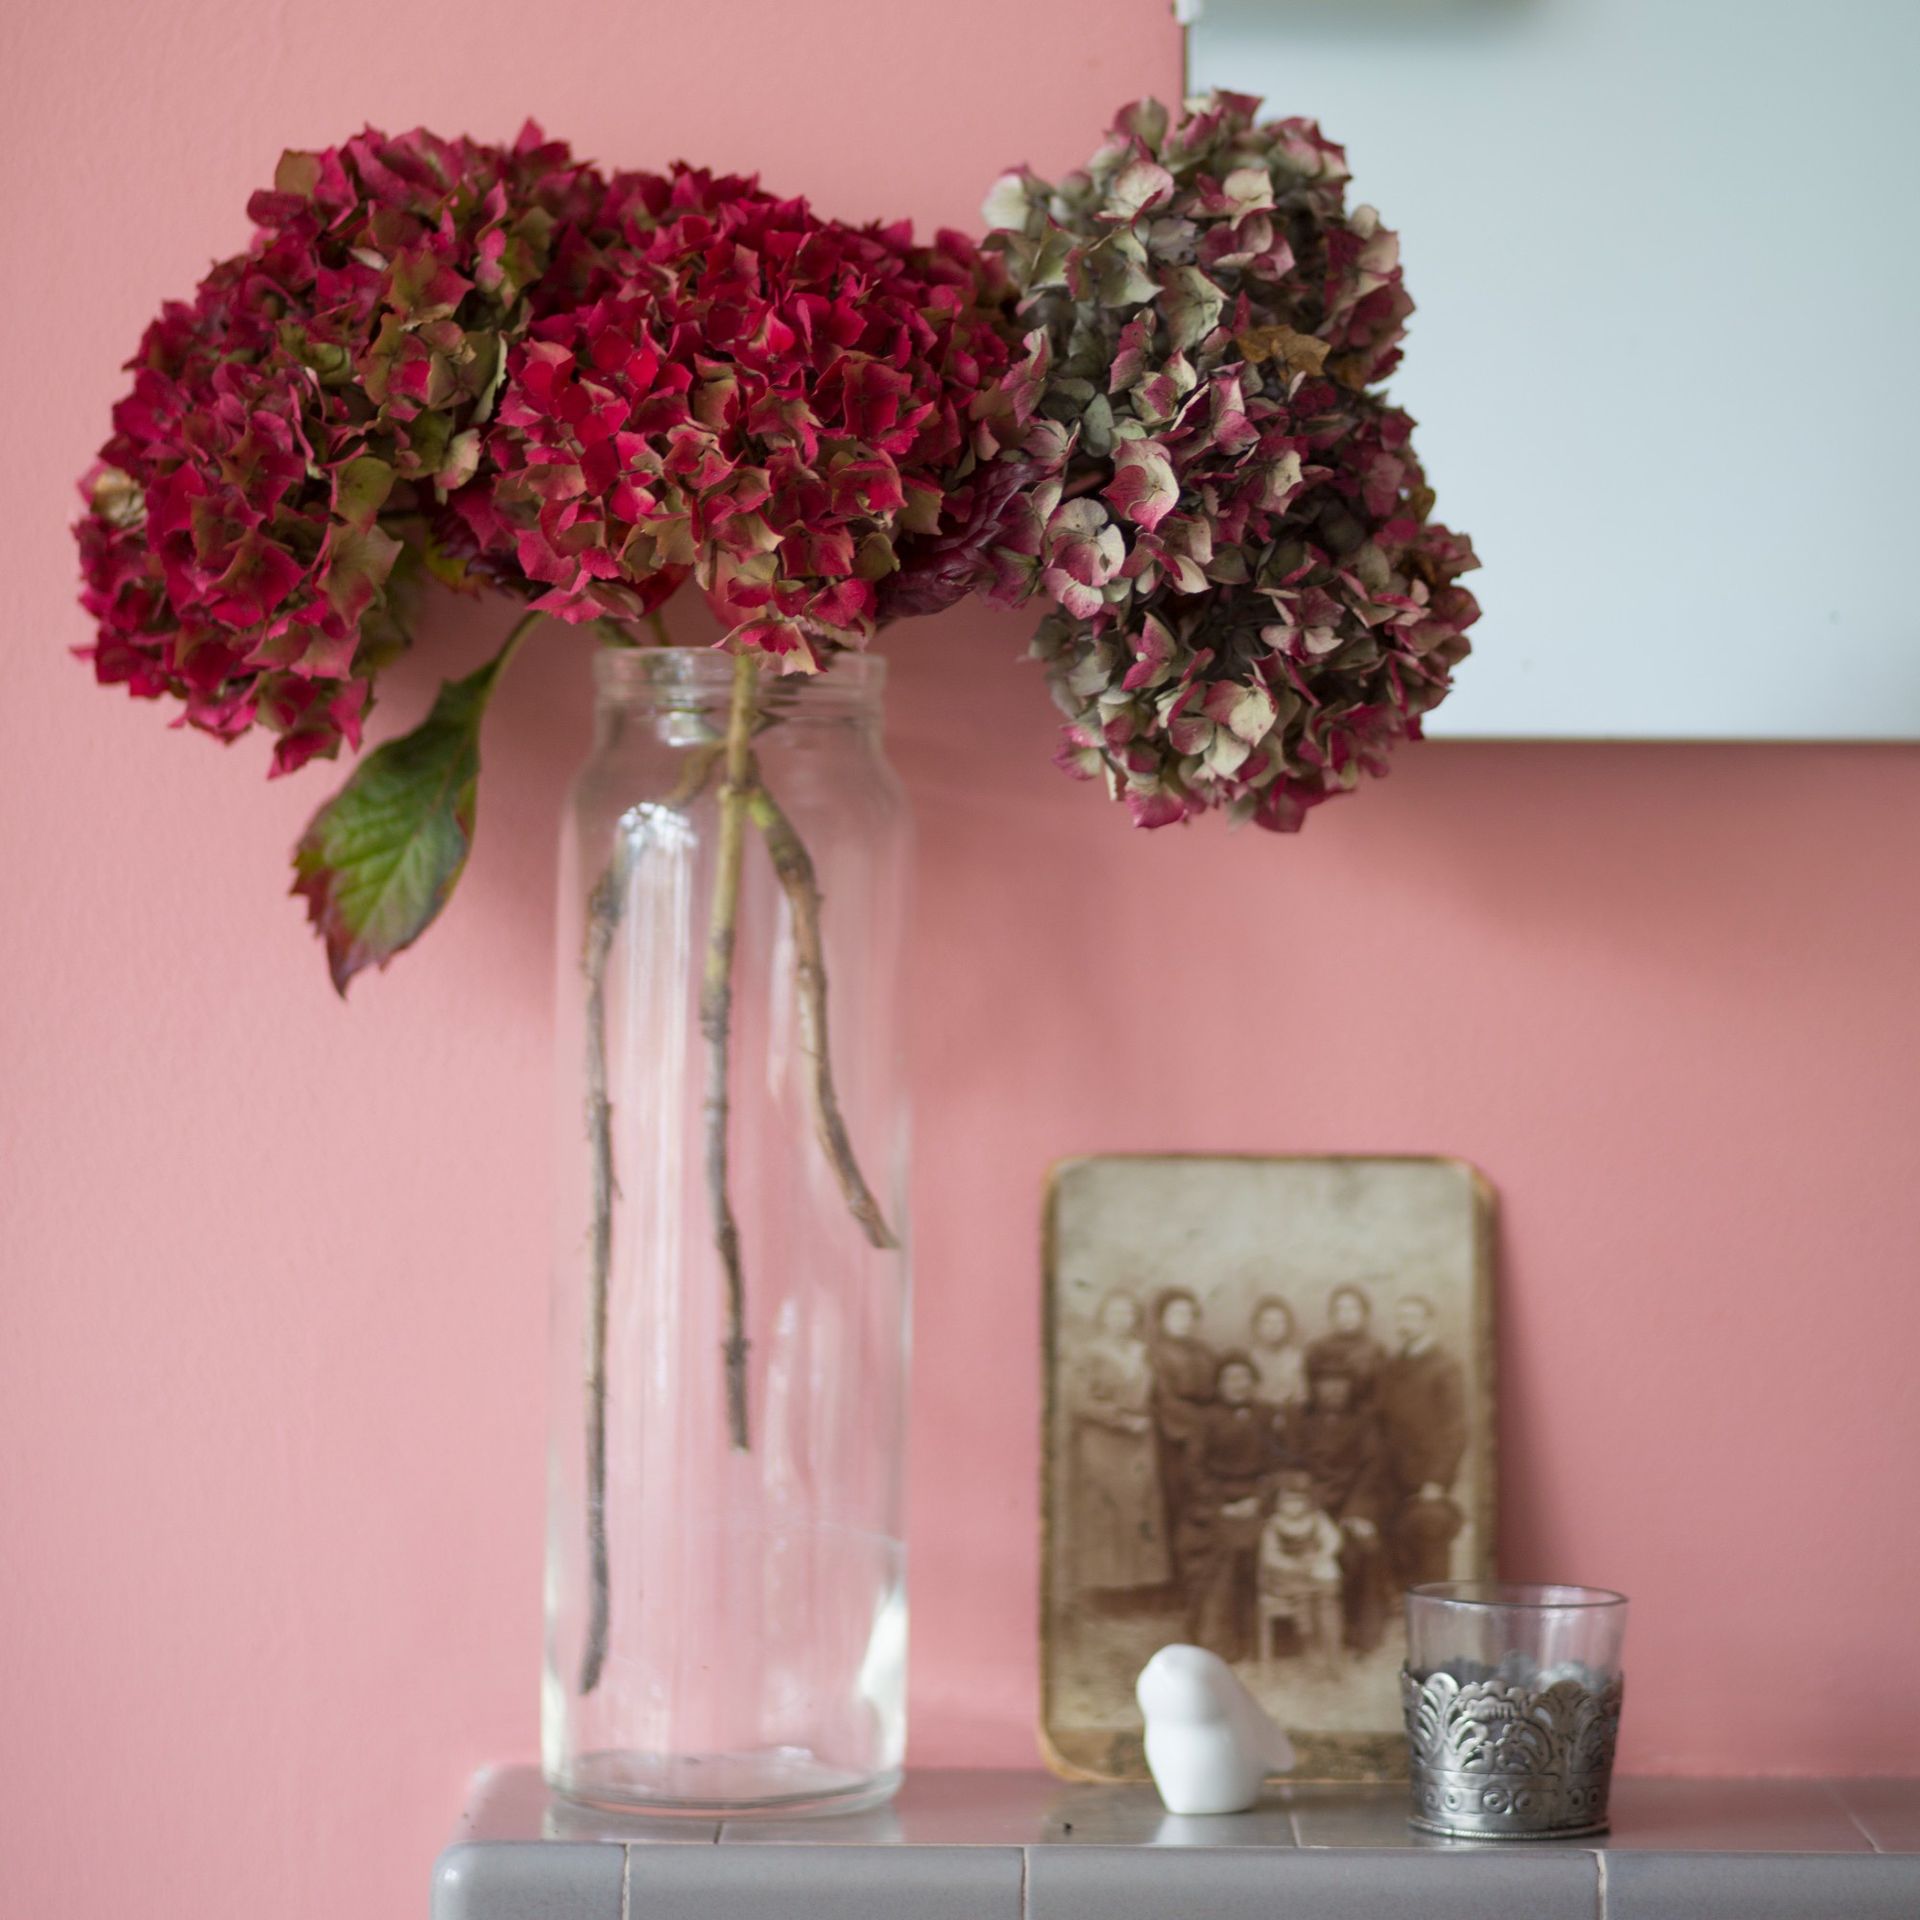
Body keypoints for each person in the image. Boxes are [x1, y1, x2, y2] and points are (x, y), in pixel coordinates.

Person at [1177, 1353, 1285, 1663]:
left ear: (1253, 1382)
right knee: (1225, 1548)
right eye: (1230, 1379)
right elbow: (1193, 1469)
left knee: (1252, 1544)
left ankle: (1258, 1638)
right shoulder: (1205, 1418)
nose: (1238, 1385)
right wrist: (1222, 1505)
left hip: (1257, 1499)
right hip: (1215, 1502)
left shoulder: (1266, 1414)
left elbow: (1279, 1463)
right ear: (1220, 1384)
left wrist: (1259, 1500)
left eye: (1244, 1378)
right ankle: (1218, 1639)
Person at [1067, 1290, 1171, 1596]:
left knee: (1142, 1506)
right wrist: (1121, 1419)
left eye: (1127, 1314)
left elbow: (1157, 1394)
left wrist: (1148, 1418)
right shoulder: (1088, 1353)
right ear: (1102, 1317)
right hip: (1104, 1440)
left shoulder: (1143, 1352)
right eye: (1114, 1313)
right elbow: (1079, 1401)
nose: (1121, 1320)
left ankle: (1140, 1586)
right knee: (1106, 1510)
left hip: (1140, 1441)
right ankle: (1106, 1589)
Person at [1286, 1363, 1389, 1653]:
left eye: (1340, 1384)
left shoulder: (1363, 1421)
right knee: (1306, 1542)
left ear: (1351, 1388)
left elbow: (1373, 1469)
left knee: (1364, 1547)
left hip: (1355, 1500)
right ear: (1314, 1387)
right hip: (1312, 1502)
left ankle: (1362, 1631)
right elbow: (1293, 1465)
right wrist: (1314, 1505)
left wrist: (1355, 1512)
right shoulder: (1300, 1420)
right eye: (1325, 1383)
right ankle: (1307, 1633)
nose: (1333, 1391)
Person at [1375, 1295, 1467, 1588]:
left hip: (1427, 1480)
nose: (1406, 1324)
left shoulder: (1445, 1366)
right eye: (1401, 1317)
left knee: (1429, 1532)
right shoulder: (1392, 1365)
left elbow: (1457, 1429)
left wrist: (1436, 1481)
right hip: (1391, 1476)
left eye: (1413, 1317)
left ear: (1428, 1321)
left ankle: (1436, 1615)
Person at [1149, 1287, 1216, 1556]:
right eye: (1177, 1314)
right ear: (1162, 1318)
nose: (1184, 1320)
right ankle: (1174, 1576)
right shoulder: (1154, 1352)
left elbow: (1216, 1392)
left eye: (1189, 1314)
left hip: (1205, 1431)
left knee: (1205, 1496)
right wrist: (1197, 1425)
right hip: (1172, 1436)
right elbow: (1163, 1397)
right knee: (1175, 1500)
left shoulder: (1204, 1352)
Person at [1257, 1472, 1345, 1674]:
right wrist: (1291, 1565)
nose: (1293, 1507)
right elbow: (1270, 1557)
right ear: (1277, 1503)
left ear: (1308, 1501)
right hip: (1289, 1578)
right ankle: (1310, 1648)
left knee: (1327, 1602)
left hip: (1314, 1572)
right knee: (1303, 1603)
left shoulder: (1317, 1519)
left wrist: (1320, 1556)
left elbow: (1333, 1539)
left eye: (1298, 1502)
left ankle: (1332, 1653)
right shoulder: (1274, 1526)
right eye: (1287, 1502)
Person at [1304, 1284, 1386, 1405]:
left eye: (1353, 1309)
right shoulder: (1317, 1349)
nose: (1347, 1315)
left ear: (1364, 1314)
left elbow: (1381, 1396)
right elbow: (1309, 1394)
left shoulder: (1376, 1350)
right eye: (1341, 1309)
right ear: (1332, 1315)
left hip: (1364, 1419)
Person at [1246, 1295, 1308, 1413]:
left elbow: (1302, 1397)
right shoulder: (1249, 1359)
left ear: (1288, 1326)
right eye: (1267, 1322)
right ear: (1257, 1326)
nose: (1273, 1328)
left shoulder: (1297, 1358)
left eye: (1279, 1322)